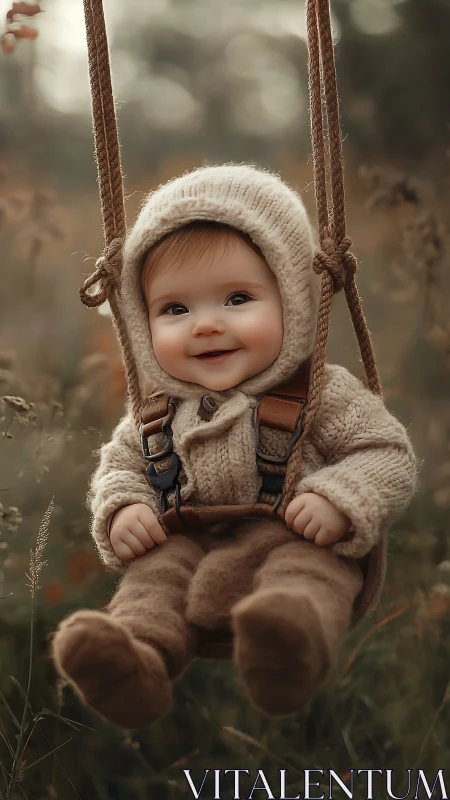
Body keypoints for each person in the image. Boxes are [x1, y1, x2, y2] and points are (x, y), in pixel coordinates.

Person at [51, 164, 418, 729]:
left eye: (238, 298)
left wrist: (339, 498)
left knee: (308, 575)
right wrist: (123, 508)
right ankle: (133, 663)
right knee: (152, 582)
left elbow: (387, 454)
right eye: (175, 309)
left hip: (295, 538)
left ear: (293, 299)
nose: (205, 325)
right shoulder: (157, 411)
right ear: (140, 319)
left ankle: (286, 646)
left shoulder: (320, 392)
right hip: (188, 546)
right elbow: (120, 467)